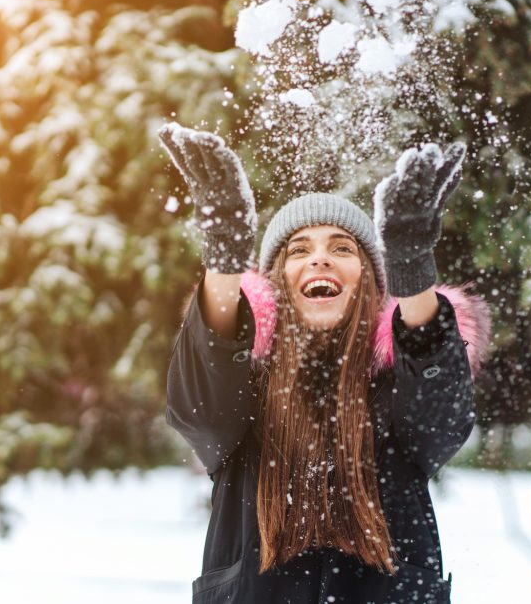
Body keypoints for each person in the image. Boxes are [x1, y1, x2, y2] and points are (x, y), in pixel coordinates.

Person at [160, 122, 490, 604]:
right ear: (275, 280)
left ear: (371, 281)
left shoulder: (398, 383)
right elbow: (199, 410)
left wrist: (414, 269)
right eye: (299, 250)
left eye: (342, 248)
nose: (320, 260)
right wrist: (225, 256)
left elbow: (441, 422)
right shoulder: (243, 382)